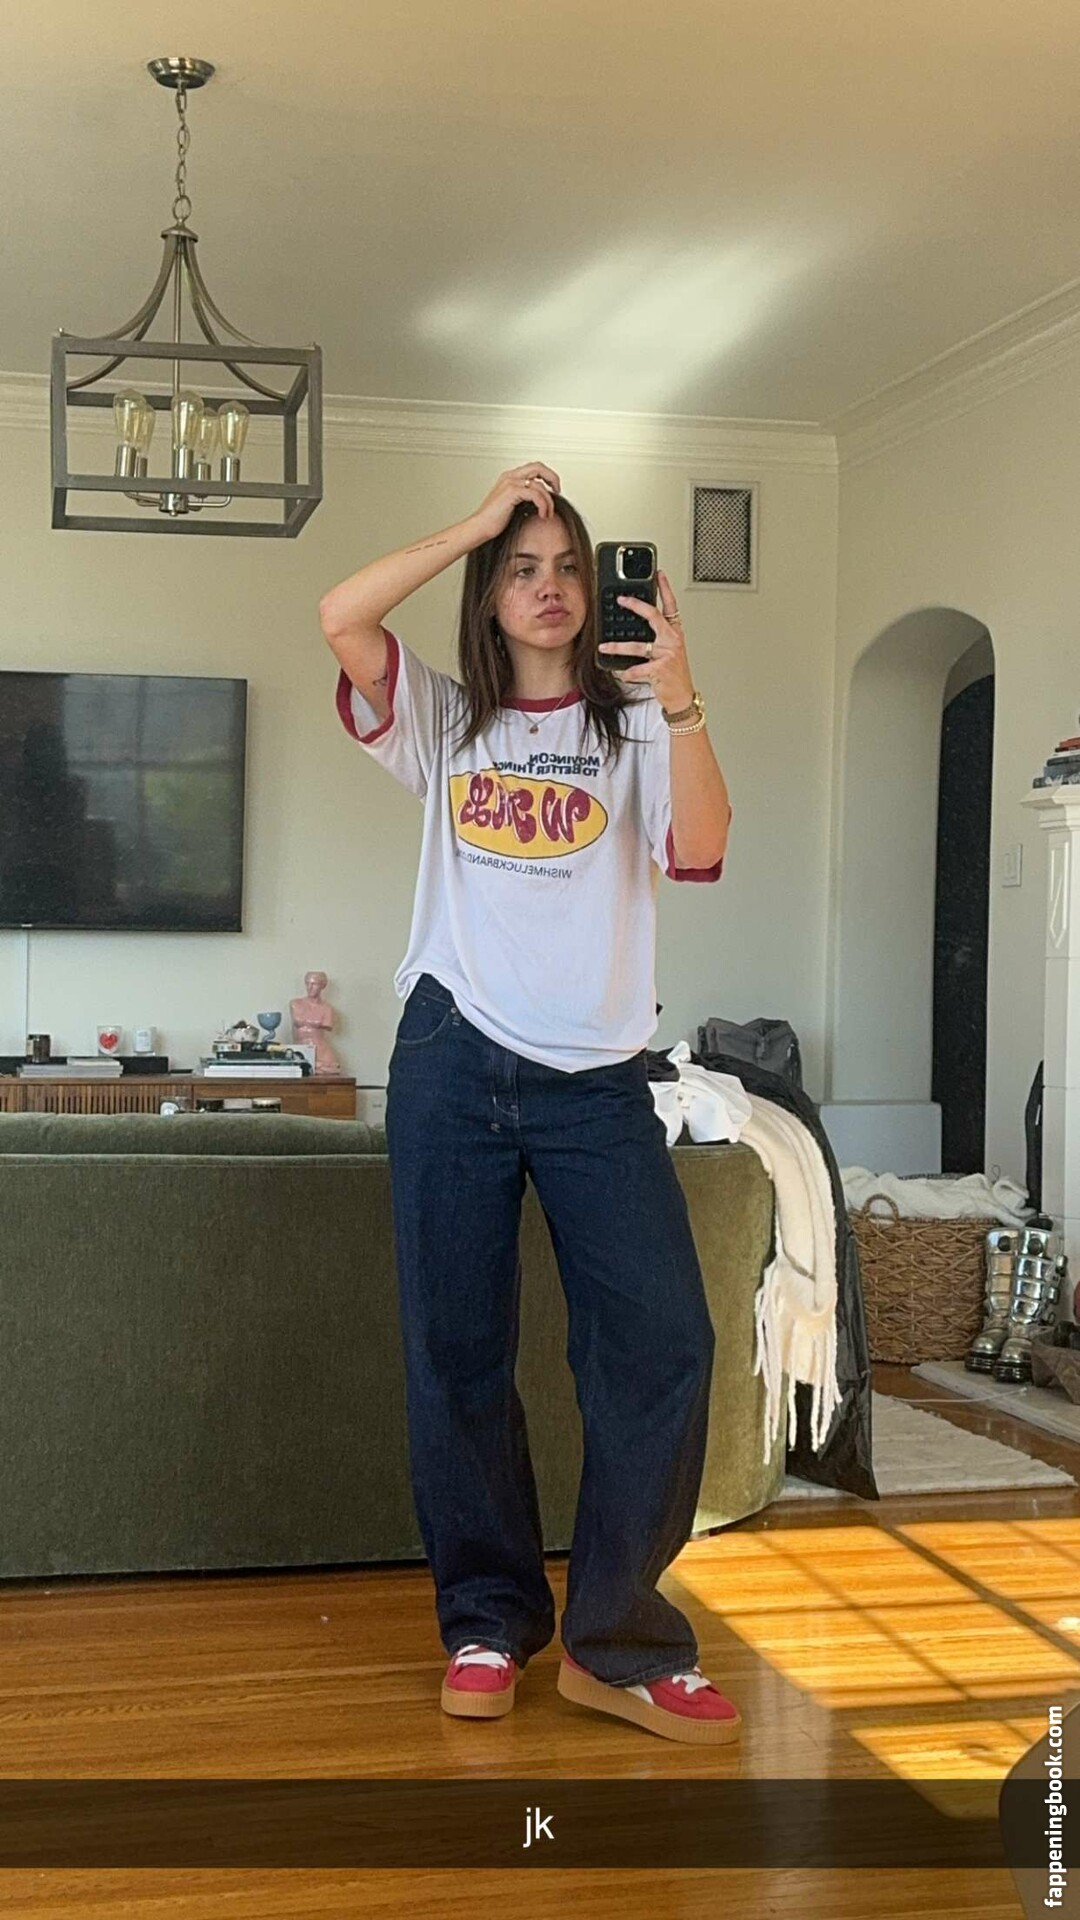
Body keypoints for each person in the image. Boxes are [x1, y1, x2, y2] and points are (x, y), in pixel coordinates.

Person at [319, 463, 738, 1744]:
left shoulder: (636, 726)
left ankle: (619, 1640)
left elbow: (703, 849)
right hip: (452, 1057)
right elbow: (342, 615)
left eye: (567, 567)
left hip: (598, 1079)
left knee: (663, 1343)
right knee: (457, 1351)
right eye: (520, 568)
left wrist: (678, 690)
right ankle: (489, 1622)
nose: (548, 588)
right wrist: (476, 520)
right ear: (488, 593)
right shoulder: (445, 721)